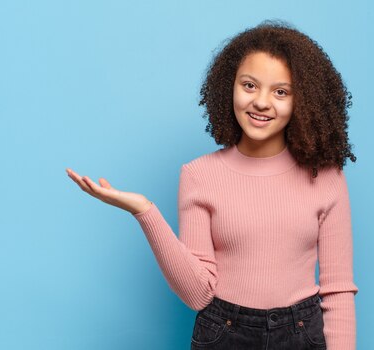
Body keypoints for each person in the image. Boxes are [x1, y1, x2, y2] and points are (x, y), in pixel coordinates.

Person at [67, 19, 359, 350]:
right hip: (225, 332)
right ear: (228, 87)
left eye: (280, 91)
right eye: (249, 85)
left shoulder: (327, 176)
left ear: (302, 101)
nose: (262, 102)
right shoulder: (199, 175)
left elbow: (337, 290)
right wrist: (144, 211)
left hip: (300, 332)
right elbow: (197, 293)